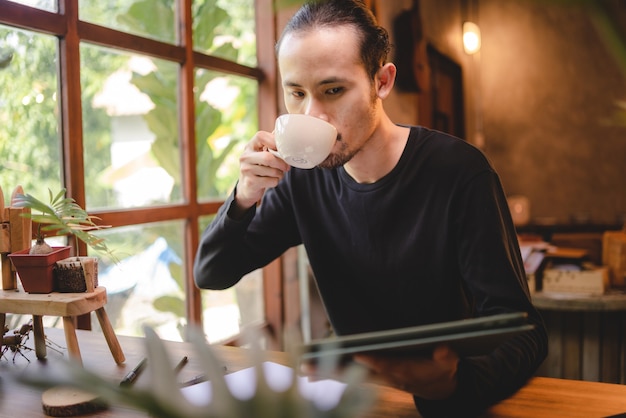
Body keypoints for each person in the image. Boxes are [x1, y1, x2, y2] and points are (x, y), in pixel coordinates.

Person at [194, 0, 548, 416]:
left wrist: (453, 385)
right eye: (297, 93)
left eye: (333, 90)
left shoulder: (459, 172)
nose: (314, 114)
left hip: (447, 400)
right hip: (354, 400)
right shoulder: (304, 181)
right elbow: (212, 273)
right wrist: (244, 196)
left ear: (382, 81)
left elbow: (524, 331)